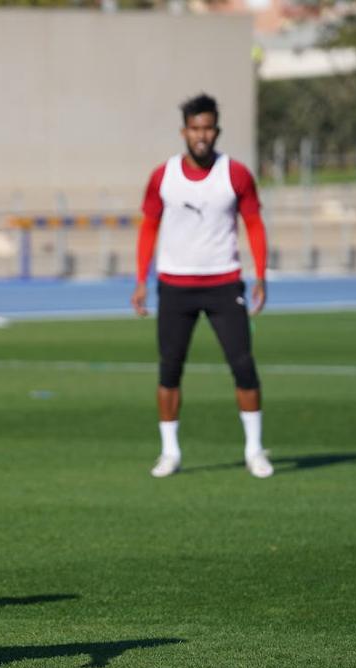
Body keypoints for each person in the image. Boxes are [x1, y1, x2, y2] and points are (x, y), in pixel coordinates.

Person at [131, 93, 273, 479]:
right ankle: (170, 452)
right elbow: (149, 227)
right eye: (195, 128)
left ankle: (255, 449)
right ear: (184, 131)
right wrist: (141, 280)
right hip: (174, 286)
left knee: (243, 366)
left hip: (225, 284)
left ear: (217, 130)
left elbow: (254, 224)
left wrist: (260, 275)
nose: (201, 135)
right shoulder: (163, 177)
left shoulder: (237, 174)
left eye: (208, 127)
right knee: (169, 370)